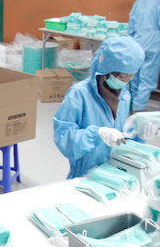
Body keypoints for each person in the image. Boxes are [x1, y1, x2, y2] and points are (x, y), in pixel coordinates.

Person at [53, 36, 146, 179]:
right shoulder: (79, 94)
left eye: (131, 76)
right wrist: (97, 134)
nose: (125, 81)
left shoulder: (124, 95)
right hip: (83, 175)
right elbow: (64, 138)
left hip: (112, 172)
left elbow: (119, 135)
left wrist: (139, 134)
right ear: (106, 69)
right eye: (121, 76)